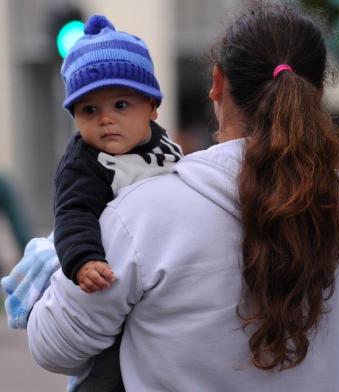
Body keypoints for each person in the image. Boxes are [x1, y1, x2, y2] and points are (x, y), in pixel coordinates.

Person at [27, 2, 339, 391]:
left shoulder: (144, 212)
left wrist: (48, 266)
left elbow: (54, 346)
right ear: (316, 93)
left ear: (217, 82)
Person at [2, 13, 182, 392]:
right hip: (108, 280)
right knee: (107, 372)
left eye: (120, 105)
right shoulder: (85, 163)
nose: (106, 121)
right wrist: (84, 260)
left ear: (152, 107)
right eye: (89, 110)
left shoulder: (166, 149)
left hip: (158, 280)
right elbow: (73, 213)